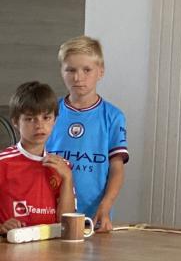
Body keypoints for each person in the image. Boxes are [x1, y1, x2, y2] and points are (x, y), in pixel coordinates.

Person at [46, 35, 128, 231]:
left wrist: (105, 206)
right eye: (71, 70)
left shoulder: (113, 116)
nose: (78, 77)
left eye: (87, 70)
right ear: (61, 71)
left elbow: (116, 168)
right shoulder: (48, 112)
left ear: (101, 72)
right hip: (49, 213)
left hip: (93, 216)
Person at [0, 82, 74, 235]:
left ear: (55, 120)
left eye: (46, 117)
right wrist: (1, 227)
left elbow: (66, 224)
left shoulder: (63, 167)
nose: (39, 125)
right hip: (10, 246)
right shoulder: (3, 163)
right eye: (30, 119)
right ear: (15, 122)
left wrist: (67, 178)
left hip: (52, 247)